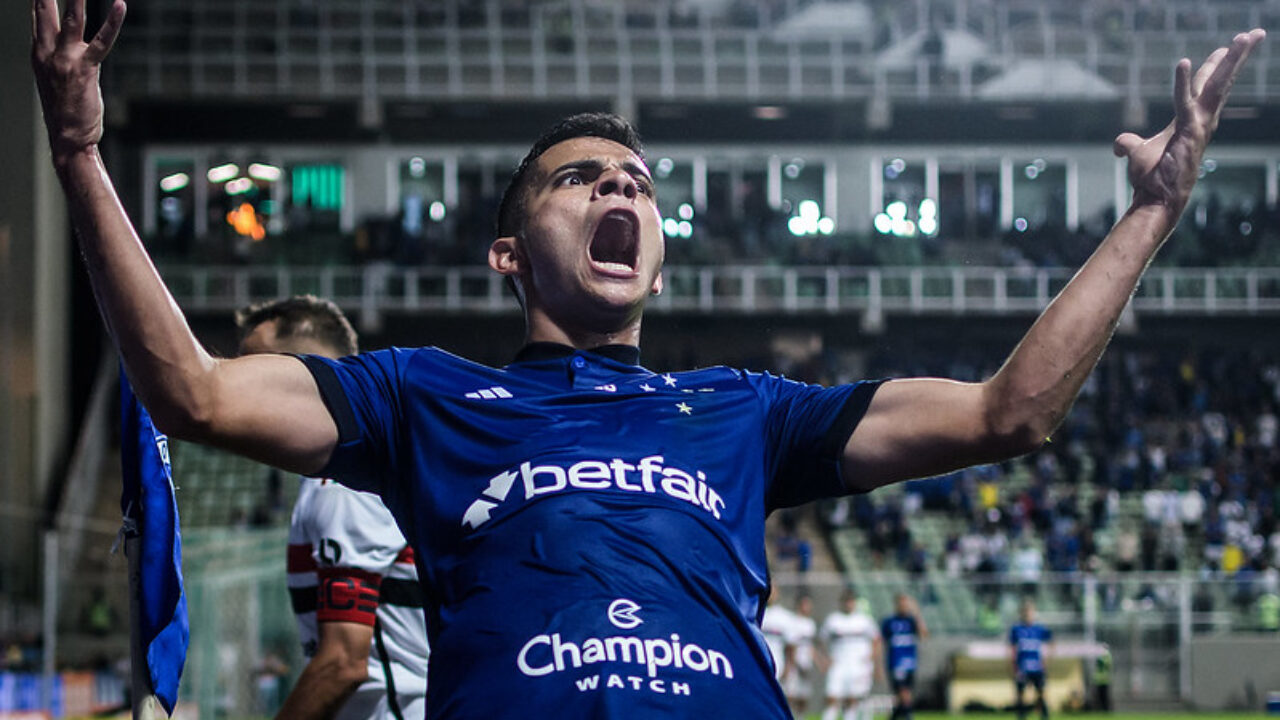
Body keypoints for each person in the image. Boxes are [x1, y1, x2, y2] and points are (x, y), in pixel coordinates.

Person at [29, 1, 1264, 715]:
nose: (619, 187)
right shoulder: (422, 397)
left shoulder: (748, 412)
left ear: (658, 257)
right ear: (509, 255)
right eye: (580, 179)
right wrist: (84, 156)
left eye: (634, 181)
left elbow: (1011, 412)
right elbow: (187, 390)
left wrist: (1150, 213)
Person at [235, 296, 429, 720]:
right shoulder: (347, 469)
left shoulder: (343, 481)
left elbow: (343, 664)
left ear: (302, 376)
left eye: (254, 372)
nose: (238, 392)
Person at [820, 588, 882, 720]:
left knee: (852, 699)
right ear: (841, 603)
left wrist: (872, 659)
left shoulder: (864, 620)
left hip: (858, 665)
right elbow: (821, 640)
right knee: (832, 697)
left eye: (851, 601)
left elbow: (877, 641)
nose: (849, 604)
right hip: (838, 664)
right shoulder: (833, 620)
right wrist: (825, 659)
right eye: (846, 601)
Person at [881, 593, 929, 720]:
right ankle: (908, 716)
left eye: (905, 604)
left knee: (902, 697)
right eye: (901, 603)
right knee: (904, 693)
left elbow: (924, 635)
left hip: (911, 663)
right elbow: (881, 642)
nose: (903, 606)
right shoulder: (889, 622)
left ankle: (894, 717)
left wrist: (917, 613)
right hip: (896, 663)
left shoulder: (912, 621)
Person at [1009, 599, 1053, 720]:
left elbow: (1051, 642)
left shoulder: (1039, 629)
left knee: (1041, 692)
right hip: (1023, 667)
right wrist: (1013, 665)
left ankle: (1043, 714)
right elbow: (1012, 648)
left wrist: (1046, 660)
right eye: (1026, 612)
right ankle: (1021, 715)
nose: (1028, 614)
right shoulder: (1017, 629)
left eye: (1030, 612)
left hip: (1037, 667)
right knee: (1021, 694)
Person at [783, 593, 819, 715]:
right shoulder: (792, 622)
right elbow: (790, 646)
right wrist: (791, 665)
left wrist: (820, 662)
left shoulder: (810, 624)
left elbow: (810, 647)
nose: (808, 607)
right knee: (790, 696)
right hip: (795, 666)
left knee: (803, 698)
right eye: (806, 604)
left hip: (806, 667)